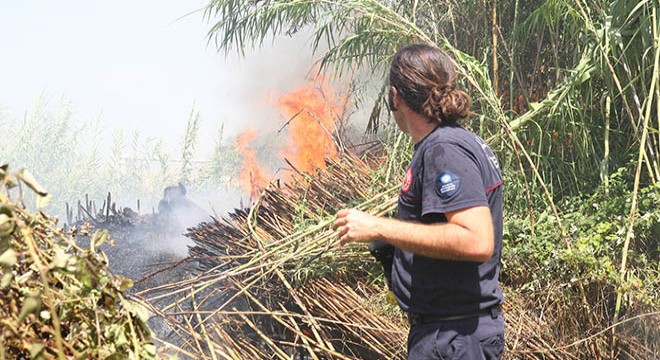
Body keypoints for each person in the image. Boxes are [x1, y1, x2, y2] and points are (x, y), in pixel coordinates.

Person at [332, 44, 505, 359]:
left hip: (454, 339)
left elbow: (476, 240)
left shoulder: (445, 148)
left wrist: (380, 228)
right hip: (449, 335)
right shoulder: (449, 143)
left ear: (395, 97)